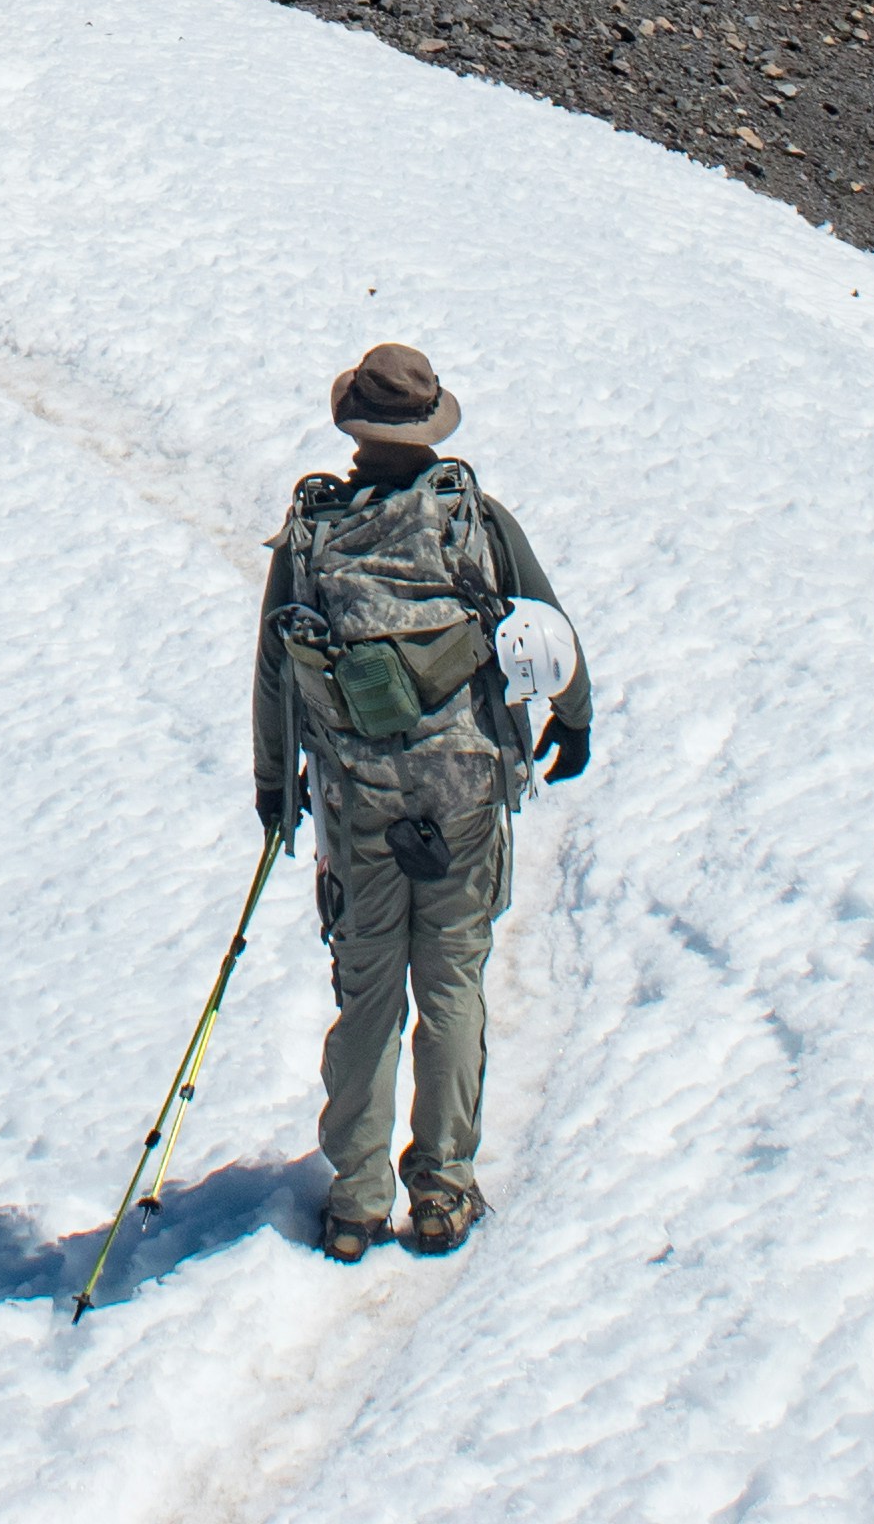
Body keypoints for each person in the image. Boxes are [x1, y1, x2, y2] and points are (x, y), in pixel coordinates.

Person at [252, 340, 590, 1262]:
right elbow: (546, 627)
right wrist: (574, 719)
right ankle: (442, 1190)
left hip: (357, 800)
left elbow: (277, 669)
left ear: (354, 428)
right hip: (465, 790)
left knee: (368, 991)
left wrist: (276, 787)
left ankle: (355, 1201)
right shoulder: (471, 517)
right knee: (450, 983)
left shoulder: (313, 533)